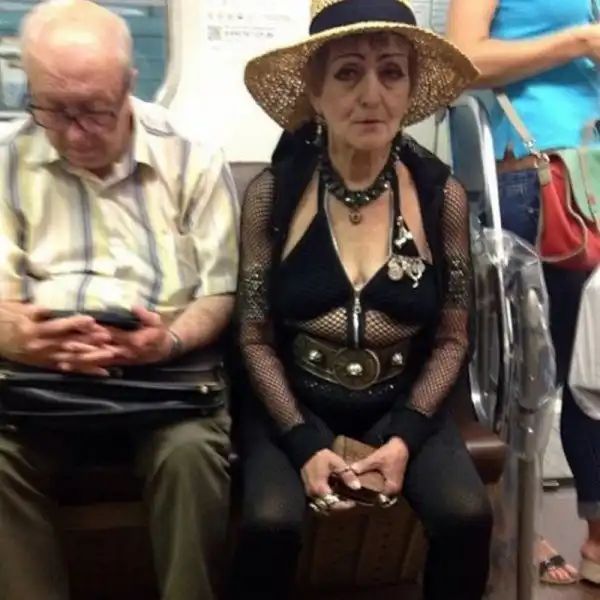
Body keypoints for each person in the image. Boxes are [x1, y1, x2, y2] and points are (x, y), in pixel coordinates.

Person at [231, 1, 492, 599]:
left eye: (391, 72)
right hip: (292, 402)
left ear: (410, 89)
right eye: (348, 73)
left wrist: (404, 438)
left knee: (467, 517)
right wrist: (303, 442)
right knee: (269, 524)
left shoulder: (441, 196)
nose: (371, 94)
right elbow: (252, 336)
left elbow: (453, 338)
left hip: (402, 403)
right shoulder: (273, 195)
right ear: (315, 93)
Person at [0, 2, 239, 600]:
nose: (75, 132)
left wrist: (171, 339)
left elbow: (219, 290)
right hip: (39, 374)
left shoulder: (192, 157)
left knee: (192, 454)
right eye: (53, 110)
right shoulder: (6, 160)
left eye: (95, 110)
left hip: (162, 376)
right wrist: (12, 335)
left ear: (130, 86)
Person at [447, 0, 600, 585]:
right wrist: (581, 42)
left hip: (589, 167)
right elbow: (464, 59)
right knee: (530, 373)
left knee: (593, 367)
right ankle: (514, 522)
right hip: (535, 172)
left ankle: (596, 534)